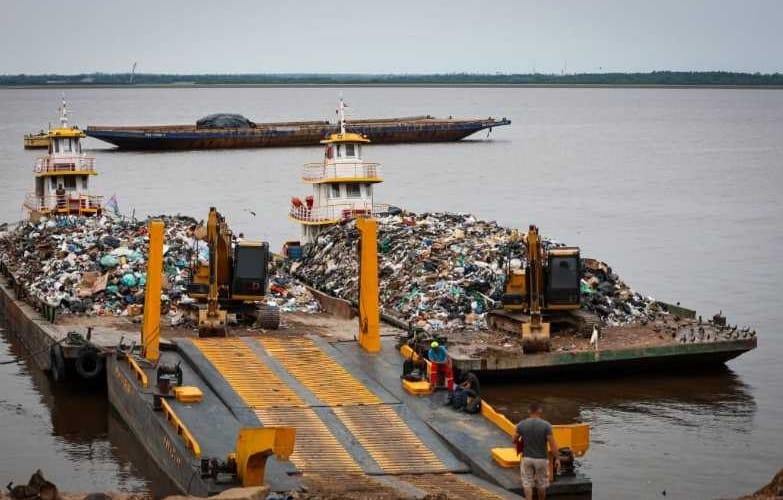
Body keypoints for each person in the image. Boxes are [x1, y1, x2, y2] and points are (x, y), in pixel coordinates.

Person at [513, 403, 560, 500]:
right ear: (540, 411)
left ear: (529, 411)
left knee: (527, 483)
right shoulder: (546, 425)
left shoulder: (521, 424)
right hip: (541, 459)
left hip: (527, 458)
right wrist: (557, 458)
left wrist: (521, 441)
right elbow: (552, 443)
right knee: (541, 484)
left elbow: (514, 439)